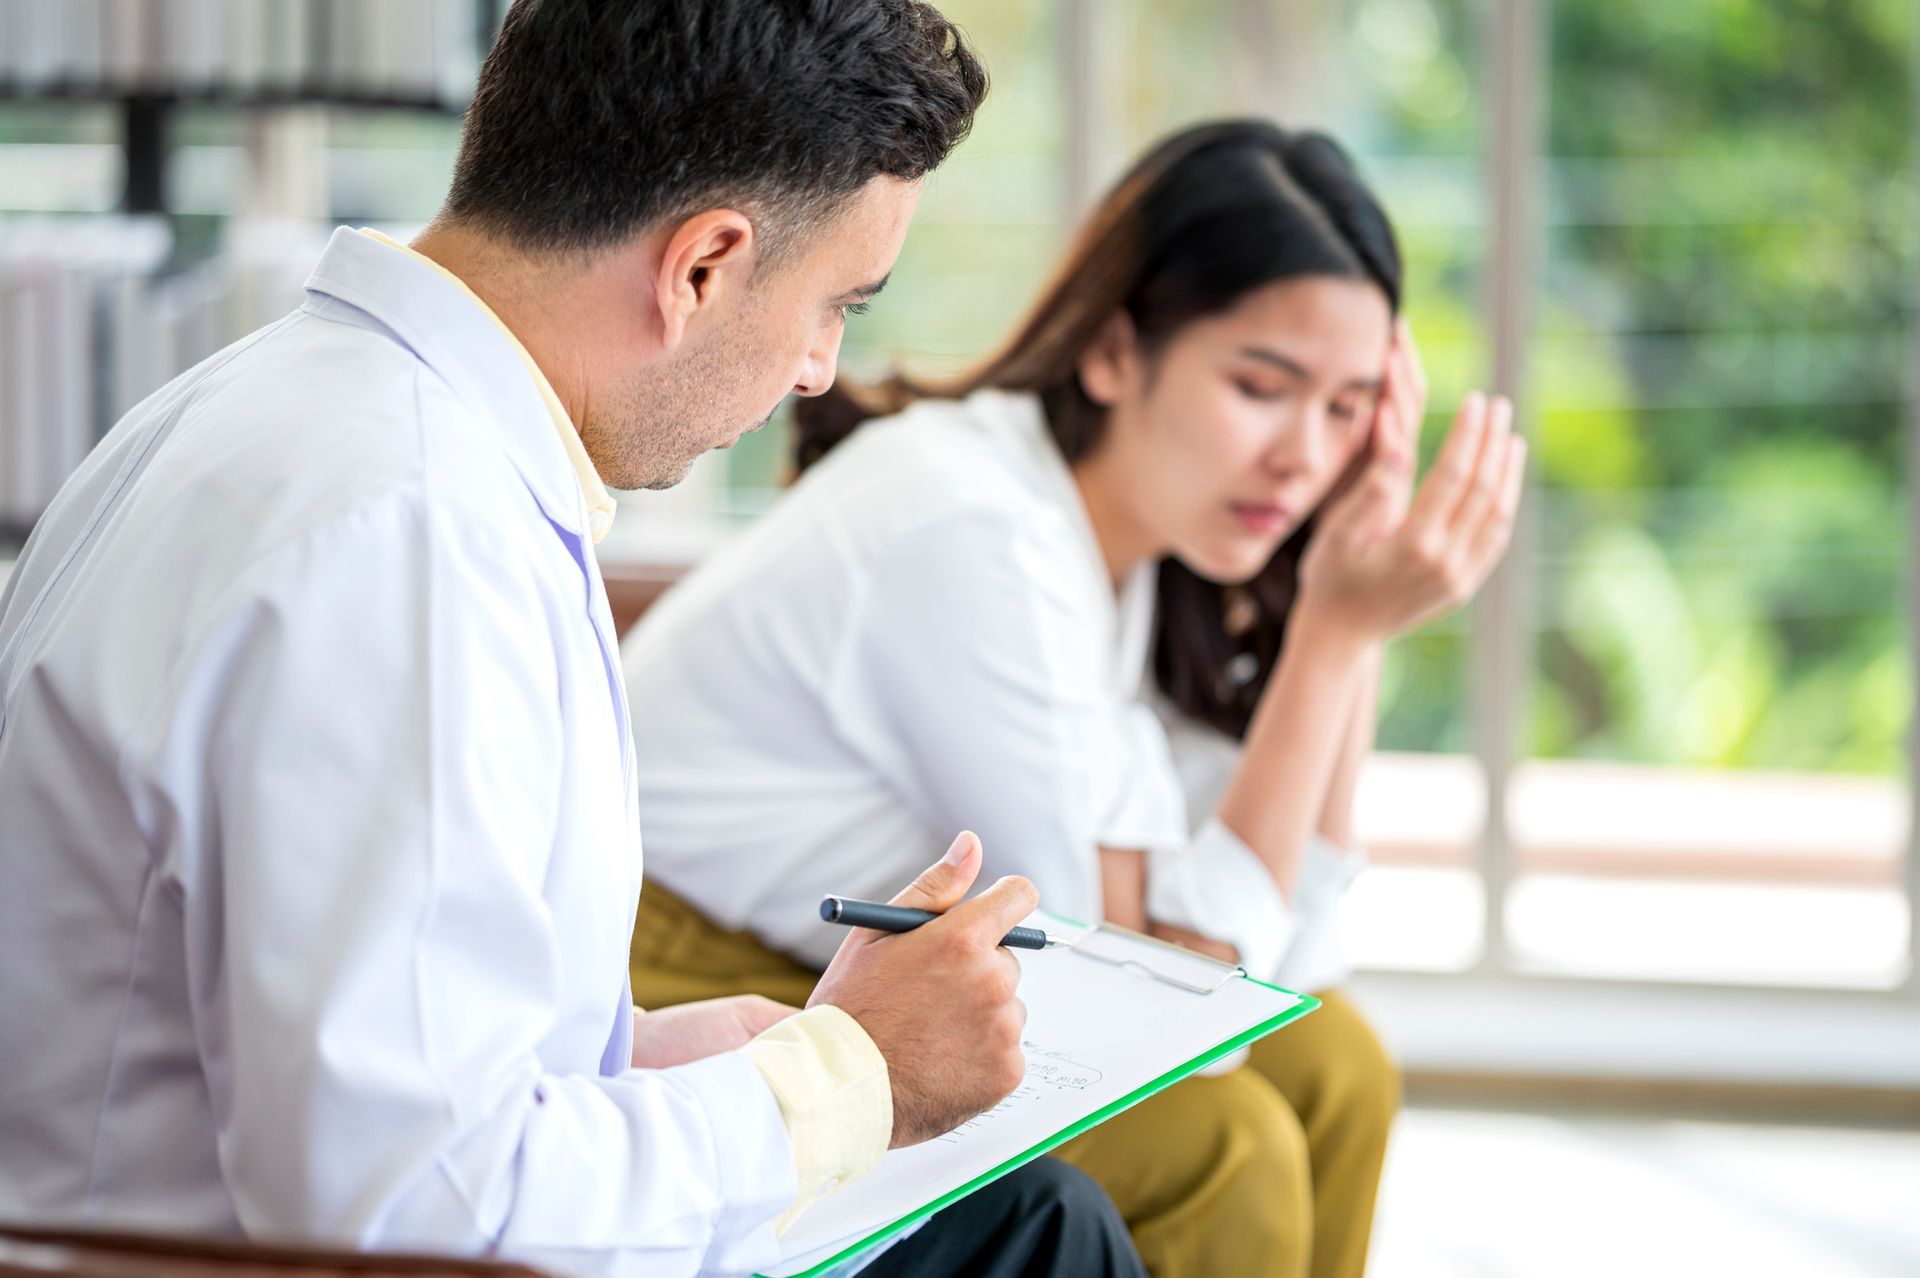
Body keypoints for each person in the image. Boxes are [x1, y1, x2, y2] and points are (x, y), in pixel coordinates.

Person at [0, 4, 1147, 1277]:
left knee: (1033, 1222)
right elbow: (412, 1217)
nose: (821, 369)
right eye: (838, 305)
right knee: (1045, 1242)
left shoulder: (273, 415)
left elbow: (359, 1048)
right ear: (702, 264)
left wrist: (655, 1055)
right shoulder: (411, 538)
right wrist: (839, 1077)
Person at [620, 119, 1526, 1278]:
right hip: (696, 976)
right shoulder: (975, 526)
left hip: (844, 958)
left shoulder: (1123, 552)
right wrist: (1336, 640)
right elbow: (1162, 1011)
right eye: (1263, 385)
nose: (1306, 456)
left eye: (1350, 410)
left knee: (1337, 1064)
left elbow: (1280, 969)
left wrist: (1343, 624)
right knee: (1227, 1144)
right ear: (1112, 353)